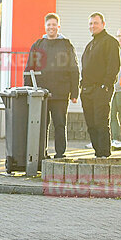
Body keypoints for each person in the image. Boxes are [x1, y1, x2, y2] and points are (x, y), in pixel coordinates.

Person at [24, 13, 80, 158]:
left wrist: (74, 93)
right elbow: (29, 68)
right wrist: (28, 91)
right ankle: (42, 153)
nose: (51, 27)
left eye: (54, 25)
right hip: (41, 94)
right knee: (42, 125)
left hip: (61, 94)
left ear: (58, 27)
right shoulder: (38, 45)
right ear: (45, 26)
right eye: (49, 25)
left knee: (60, 124)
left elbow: (74, 69)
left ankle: (60, 153)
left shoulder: (66, 44)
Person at [80, 12, 121, 157]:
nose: (93, 26)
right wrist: (81, 86)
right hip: (87, 91)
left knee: (101, 122)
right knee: (91, 124)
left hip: (101, 90)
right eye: (90, 23)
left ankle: (104, 154)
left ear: (103, 24)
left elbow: (113, 65)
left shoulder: (110, 42)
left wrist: (106, 85)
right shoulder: (90, 44)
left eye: (96, 23)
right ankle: (98, 153)